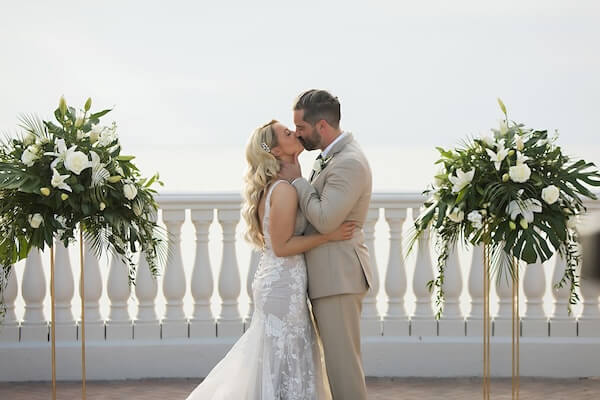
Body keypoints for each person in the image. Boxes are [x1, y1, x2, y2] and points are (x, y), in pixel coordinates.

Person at [186, 120, 354, 399]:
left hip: (280, 283)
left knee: (281, 360)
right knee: (284, 360)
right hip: (282, 286)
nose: (295, 133)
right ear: (275, 151)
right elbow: (283, 246)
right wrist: (329, 235)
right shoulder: (284, 191)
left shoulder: (280, 186)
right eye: (287, 133)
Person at [279, 89, 374, 400]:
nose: (297, 134)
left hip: (339, 278)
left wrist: (297, 181)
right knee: (336, 371)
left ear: (321, 126)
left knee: (344, 374)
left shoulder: (349, 162)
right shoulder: (332, 156)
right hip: (330, 278)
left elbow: (324, 218)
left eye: (301, 128)